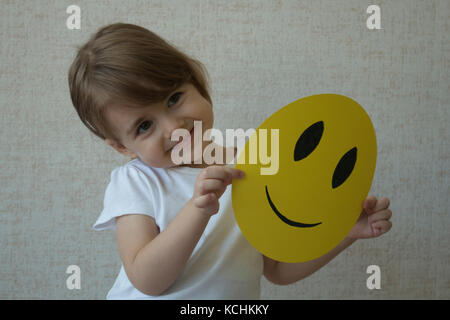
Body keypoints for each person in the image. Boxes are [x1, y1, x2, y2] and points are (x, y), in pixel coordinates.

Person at [68, 23, 392, 299]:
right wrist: (197, 210)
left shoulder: (251, 166)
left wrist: (345, 233)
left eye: (173, 98)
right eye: (144, 126)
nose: (173, 127)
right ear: (123, 148)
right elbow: (147, 280)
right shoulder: (136, 182)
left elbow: (277, 270)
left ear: (196, 81)